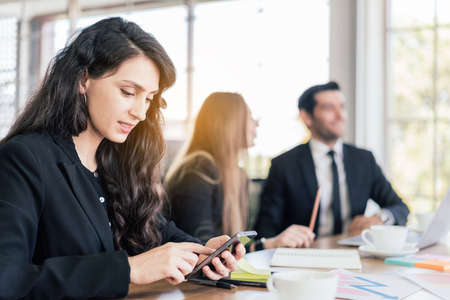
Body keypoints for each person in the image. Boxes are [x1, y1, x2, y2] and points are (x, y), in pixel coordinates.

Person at [0, 18, 244, 300]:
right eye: (128, 92)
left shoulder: (119, 165)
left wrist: (205, 254)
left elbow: (162, 235)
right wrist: (129, 269)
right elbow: (7, 280)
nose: (140, 113)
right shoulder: (24, 159)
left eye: (149, 98)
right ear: (83, 79)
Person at [255, 81, 409, 239]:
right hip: (305, 255)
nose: (340, 116)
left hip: (355, 254)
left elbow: (400, 208)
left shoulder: (364, 159)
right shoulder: (284, 165)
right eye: (329, 108)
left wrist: (379, 218)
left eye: (342, 107)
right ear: (307, 117)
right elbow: (266, 231)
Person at [164, 92, 315, 251]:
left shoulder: (236, 173)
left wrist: (272, 243)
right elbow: (202, 248)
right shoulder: (198, 169)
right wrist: (269, 244)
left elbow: (232, 248)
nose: (256, 124)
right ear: (229, 123)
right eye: (249, 118)